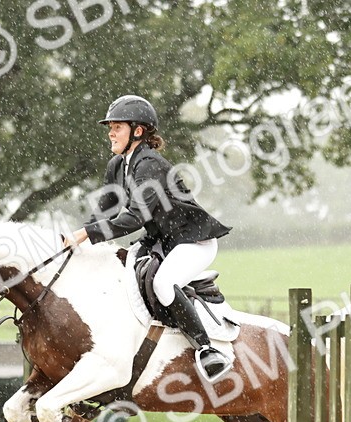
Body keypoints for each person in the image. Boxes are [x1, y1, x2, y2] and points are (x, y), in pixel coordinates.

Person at [67, 95, 233, 382]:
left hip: (193, 242)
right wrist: (78, 242)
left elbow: (132, 218)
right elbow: (106, 208)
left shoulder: (150, 165)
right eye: (111, 127)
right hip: (163, 241)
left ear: (138, 131)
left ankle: (207, 350)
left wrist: (86, 234)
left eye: (117, 127)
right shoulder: (118, 166)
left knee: (163, 283)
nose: (110, 132)